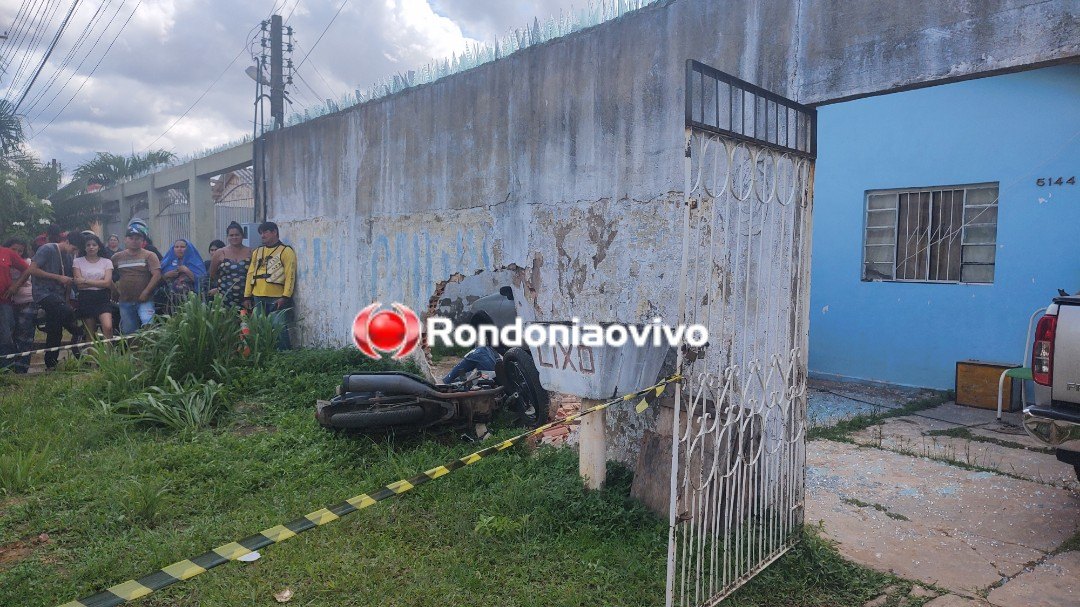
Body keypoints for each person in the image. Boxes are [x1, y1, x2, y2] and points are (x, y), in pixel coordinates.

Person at [26, 225, 85, 369]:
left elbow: (67, 281)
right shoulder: (47, 249)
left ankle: (51, 363)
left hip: (59, 296)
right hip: (43, 293)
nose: (74, 252)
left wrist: (66, 299)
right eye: (74, 248)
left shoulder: (69, 256)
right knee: (66, 313)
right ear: (67, 242)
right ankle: (78, 332)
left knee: (55, 329)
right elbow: (32, 269)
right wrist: (57, 277)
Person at [243, 221, 296, 350]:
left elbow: (290, 275)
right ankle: (267, 355)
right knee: (260, 329)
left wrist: (285, 296)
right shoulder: (257, 252)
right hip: (257, 296)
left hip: (277, 297)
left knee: (279, 329)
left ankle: (284, 356)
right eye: (261, 233)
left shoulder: (286, 251)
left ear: (274, 232)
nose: (262, 235)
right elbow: (250, 273)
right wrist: (246, 296)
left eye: (265, 232)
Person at [111, 228, 161, 334]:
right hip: (125, 300)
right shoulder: (117, 257)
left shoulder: (150, 255)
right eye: (131, 238)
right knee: (129, 332)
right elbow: (107, 274)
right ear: (125, 240)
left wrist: (146, 292)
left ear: (143, 241)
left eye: (138, 238)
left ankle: (149, 350)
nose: (134, 241)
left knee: (148, 327)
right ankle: (134, 351)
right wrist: (114, 290)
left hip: (145, 300)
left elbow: (157, 275)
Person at [72, 234, 115, 340]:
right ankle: (92, 356)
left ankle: (109, 355)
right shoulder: (77, 261)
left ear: (99, 247)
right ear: (84, 247)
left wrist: (85, 280)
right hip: (86, 298)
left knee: (108, 327)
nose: (91, 247)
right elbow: (79, 284)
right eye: (88, 245)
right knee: (90, 332)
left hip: (103, 297)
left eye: (94, 245)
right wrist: (98, 282)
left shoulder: (107, 262)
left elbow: (107, 283)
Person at [442, 311, 501, 383]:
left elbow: (463, 368)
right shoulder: (498, 348)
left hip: (490, 378)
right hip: (500, 379)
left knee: (463, 370)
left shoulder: (479, 351)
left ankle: (448, 381)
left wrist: (449, 379)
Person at [3, 239, 34, 373]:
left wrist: (15, 286)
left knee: (18, 336)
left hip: (18, 302)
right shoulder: (6, 256)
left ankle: (16, 369)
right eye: (14, 249)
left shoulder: (22, 260)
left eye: (20, 250)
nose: (17, 252)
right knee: (8, 335)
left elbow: (28, 270)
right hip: (10, 303)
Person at [209, 222, 252, 308]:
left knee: (245, 320)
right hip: (224, 298)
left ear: (242, 236)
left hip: (246, 299)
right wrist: (217, 288)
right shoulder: (220, 252)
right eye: (231, 235)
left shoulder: (251, 252)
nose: (234, 237)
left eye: (237, 235)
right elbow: (212, 274)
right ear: (227, 237)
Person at [159, 239, 206, 312]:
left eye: (182, 247)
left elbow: (201, 282)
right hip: (170, 301)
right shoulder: (167, 263)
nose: (179, 249)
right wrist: (166, 275)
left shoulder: (195, 263)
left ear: (188, 248)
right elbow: (158, 280)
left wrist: (186, 271)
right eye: (176, 247)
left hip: (191, 301)